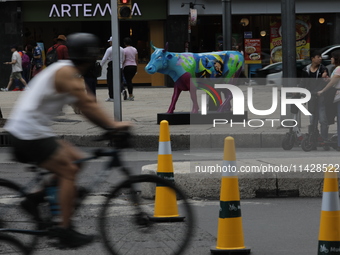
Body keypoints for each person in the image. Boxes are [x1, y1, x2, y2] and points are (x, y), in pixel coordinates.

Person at [4, 33, 131, 248]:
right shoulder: (66, 74)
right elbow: (88, 106)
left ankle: (34, 199)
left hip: (32, 129)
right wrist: (115, 126)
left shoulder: (65, 70)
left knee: (76, 159)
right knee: (68, 170)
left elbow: (86, 102)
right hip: (29, 134)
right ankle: (64, 230)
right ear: (90, 57)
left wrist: (108, 125)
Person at [299, 51, 330, 143]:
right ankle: (313, 139)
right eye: (318, 56)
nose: (320, 58)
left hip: (321, 98)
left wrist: (317, 91)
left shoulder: (323, 69)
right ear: (312, 58)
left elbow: (324, 83)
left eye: (320, 57)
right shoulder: (306, 70)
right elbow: (303, 83)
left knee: (322, 119)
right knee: (312, 120)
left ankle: (324, 139)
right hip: (311, 98)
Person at [317, 50, 340, 149]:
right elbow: (334, 80)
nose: (331, 59)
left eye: (332, 57)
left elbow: (333, 83)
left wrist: (322, 90)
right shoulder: (337, 69)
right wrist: (328, 79)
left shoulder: (339, 68)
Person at [100, 36, 126, 102]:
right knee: (119, 81)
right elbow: (123, 59)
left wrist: (100, 65)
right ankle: (122, 90)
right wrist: (121, 64)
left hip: (112, 67)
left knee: (110, 82)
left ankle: (112, 96)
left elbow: (104, 59)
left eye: (110, 42)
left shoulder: (109, 49)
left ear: (112, 42)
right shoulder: (122, 49)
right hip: (119, 66)